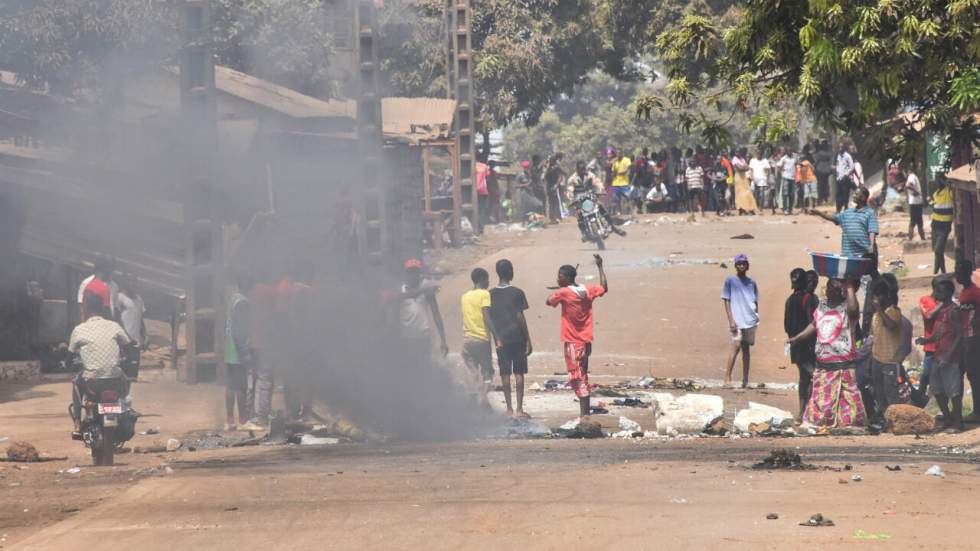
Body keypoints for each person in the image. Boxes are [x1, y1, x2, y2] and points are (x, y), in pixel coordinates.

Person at [788, 278, 866, 429]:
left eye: (833, 287)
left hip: (843, 363)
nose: (828, 289)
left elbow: (855, 312)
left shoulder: (847, 308)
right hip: (824, 362)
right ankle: (823, 422)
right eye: (829, 285)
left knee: (848, 400)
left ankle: (847, 424)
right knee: (821, 401)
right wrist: (797, 338)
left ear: (840, 291)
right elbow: (813, 325)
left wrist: (849, 288)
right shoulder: (822, 307)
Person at [546, 255, 608, 419]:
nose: (558, 279)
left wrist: (559, 291)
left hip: (573, 342)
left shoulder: (564, 292)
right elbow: (604, 287)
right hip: (586, 342)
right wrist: (600, 267)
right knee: (583, 375)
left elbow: (549, 301)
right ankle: (585, 414)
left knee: (578, 378)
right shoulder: (587, 290)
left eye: (560, 276)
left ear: (567, 278)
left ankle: (584, 415)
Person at [68, 294, 131, 436]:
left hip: (92, 382)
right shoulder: (114, 326)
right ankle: (126, 410)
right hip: (115, 379)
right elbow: (128, 345)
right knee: (126, 380)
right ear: (103, 309)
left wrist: (71, 365)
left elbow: (69, 355)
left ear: (85, 309)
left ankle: (77, 423)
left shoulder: (79, 329)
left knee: (76, 383)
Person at [916, 280, 963, 431]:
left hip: (951, 358)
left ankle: (958, 422)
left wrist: (949, 355)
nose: (936, 294)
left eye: (940, 291)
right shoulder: (941, 310)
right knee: (936, 389)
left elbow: (959, 335)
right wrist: (927, 340)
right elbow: (939, 331)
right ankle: (948, 418)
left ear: (948, 293)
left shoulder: (954, 310)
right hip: (938, 354)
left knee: (954, 392)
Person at [490, 259, 532, 417]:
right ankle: (519, 409)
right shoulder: (517, 292)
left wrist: (496, 337)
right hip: (517, 338)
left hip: (501, 339)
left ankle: (508, 409)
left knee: (505, 374)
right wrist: (528, 339)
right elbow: (520, 316)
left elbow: (490, 318)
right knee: (519, 373)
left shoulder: (490, 294)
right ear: (509, 272)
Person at [868, 279, 906, 427]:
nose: (877, 299)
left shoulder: (894, 311)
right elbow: (873, 336)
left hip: (890, 361)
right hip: (877, 359)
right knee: (880, 393)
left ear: (886, 296)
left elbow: (890, 325)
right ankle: (886, 423)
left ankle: (897, 423)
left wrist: (879, 310)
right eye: (875, 296)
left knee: (892, 394)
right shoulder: (875, 316)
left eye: (879, 295)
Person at [808, 186, 879, 260]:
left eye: (856, 194)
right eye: (854, 194)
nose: (853, 196)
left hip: (864, 254)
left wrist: (871, 246)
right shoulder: (848, 212)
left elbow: (872, 231)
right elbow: (834, 218)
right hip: (848, 253)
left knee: (868, 271)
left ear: (863, 198)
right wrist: (819, 213)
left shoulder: (869, 213)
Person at [722, 254, 759, 388]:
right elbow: (726, 300)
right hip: (737, 321)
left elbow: (755, 302)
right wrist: (731, 320)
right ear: (735, 265)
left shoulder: (752, 283)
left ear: (747, 266)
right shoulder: (730, 281)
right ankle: (727, 377)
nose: (742, 265)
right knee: (736, 346)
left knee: (746, 349)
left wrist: (756, 317)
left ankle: (745, 380)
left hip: (750, 320)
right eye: (739, 263)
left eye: (744, 263)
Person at [785, 268, 818, 417]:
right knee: (813, 376)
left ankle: (802, 411)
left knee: (803, 378)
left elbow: (786, 325)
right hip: (809, 344)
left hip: (795, 345)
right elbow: (813, 322)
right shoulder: (809, 299)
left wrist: (794, 337)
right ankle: (808, 412)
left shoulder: (789, 300)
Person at [460, 268, 499, 393]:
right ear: (482, 279)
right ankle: (483, 401)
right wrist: (497, 337)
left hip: (467, 340)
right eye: (487, 279)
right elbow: (486, 317)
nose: (488, 282)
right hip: (482, 339)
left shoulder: (464, 296)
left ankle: (473, 401)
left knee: (472, 373)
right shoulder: (484, 294)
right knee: (487, 372)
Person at [224, 271, 252, 431]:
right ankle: (243, 420)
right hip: (237, 351)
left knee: (230, 386)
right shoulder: (243, 302)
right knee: (241, 387)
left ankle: (230, 419)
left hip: (229, 350)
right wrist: (245, 352)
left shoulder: (233, 298)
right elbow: (240, 331)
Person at [956, 261, 980, 419]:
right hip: (965, 337)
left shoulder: (974, 292)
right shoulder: (964, 292)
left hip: (973, 336)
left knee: (974, 374)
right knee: (971, 374)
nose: (958, 276)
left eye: (960, 272)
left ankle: (977, 411)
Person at [917, 278, 943, 401]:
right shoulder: (925, 300)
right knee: (926, 373)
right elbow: (929, 315)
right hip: (931, 346)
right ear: (936, 288)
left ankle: (935, 399)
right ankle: (920, 396)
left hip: (945, 345)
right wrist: (943, 304)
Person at [115, 276, 145, 381]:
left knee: (133, 373)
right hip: (123, 339)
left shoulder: (139, 299)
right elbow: (117, 318)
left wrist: (144, 334)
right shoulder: (119, 297)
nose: (134, 285)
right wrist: (125, 335)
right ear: (125, 283)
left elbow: (140, 318)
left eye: (135, 283)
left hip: (135, 339)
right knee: (123, 370)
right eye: (131, 282)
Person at [929, 176, 954, 274]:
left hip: (944, 226)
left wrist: (947, 183)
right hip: (935, 225)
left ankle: (935, 272)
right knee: (938, 251)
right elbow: (933, 204)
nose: (937, 182)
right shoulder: (936, 193)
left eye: (939, 180)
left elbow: (952, 188)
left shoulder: (949, 192)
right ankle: (943, 272)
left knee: (937, 250)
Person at [732, 148, 758, 215]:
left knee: (748, 192)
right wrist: (744, 167)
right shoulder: (734, 159)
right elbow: (739, 168)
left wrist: (743, 167)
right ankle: (741, 209)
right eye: (736, 152)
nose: (737, 153)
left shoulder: (742, 159)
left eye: (738, 152)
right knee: (740, 194)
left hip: (744, 178)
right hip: (738, 177)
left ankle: (750, 208)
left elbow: (747, 167)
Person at [543, 153, 567, 223]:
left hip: (553, 186)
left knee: (555, 202)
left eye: (551, 160)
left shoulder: (556, 167)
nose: (550, 161)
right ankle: (552, 218)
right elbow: (545, 177)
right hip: (549, 186)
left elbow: (562, 175)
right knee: (551, 203)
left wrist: (556, 185)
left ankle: (557, 217)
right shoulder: (548, 168)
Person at [609, 148, 633, 216]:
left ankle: (631, 212)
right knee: (616, 199)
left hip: (624, 183)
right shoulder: (615, 162)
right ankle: (619, 212)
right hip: (616, 183)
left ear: (622, 153)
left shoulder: (626, 160)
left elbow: (628, 169)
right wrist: (613, 172)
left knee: (628, 197)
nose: (618, 154)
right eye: (617, 153)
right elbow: (613, 172)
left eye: (620, 153)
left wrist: (622, 172)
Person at [834, 141, 856, 213]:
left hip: (845, 178)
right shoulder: (838, 156)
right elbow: (837, 165)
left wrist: (846, 175)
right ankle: (838, 210)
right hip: (839, 178)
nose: (840, 149)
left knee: (845, 194)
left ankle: (846, 208)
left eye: (841, 147)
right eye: (839, 147)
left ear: (844, 148)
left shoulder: (847, 156)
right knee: (838, 194)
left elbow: (852, 167)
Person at [904, 170, 925, 240]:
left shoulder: (911, 177)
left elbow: (906, 187)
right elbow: (908, 185)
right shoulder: (912, 176)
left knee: (919, 222)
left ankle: (923, 239)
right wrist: (917, 192)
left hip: (916, 202)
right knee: (913, 222)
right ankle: (910, 240)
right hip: (915, 203)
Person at [778, 146, 798, 214]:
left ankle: (790, 209)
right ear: (786, 152)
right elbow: (779, 166)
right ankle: (785, 209)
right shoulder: (784, 158)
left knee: (792, 194)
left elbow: (797, 164)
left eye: (791, 151)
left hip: (792, 178)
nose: (790, 152)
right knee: (785, 194)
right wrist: (782, 173)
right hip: (786, 177)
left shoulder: (794, 158)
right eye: (788, 151)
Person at [814, 140, 833, 204]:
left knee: (824, 185)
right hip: (822, 170)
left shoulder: (822, 152)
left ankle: (824, 198)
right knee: (822, 185)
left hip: (824, 170)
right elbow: (816, 161)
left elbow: (816, 162)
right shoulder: (823, 153)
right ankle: (821, 199)